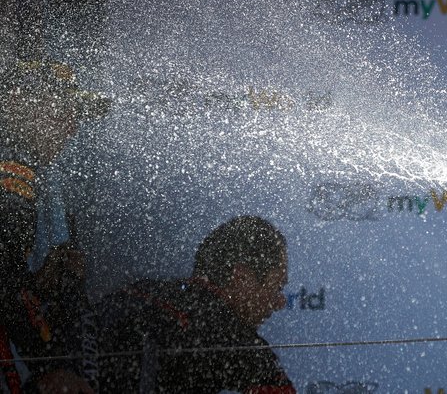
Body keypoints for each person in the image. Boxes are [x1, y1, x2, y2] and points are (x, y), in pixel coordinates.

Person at [97, 215, 295, 393]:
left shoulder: (136, 295)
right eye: (276, 287)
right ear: (242, 278)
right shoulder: (234, 340)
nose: (280, 302)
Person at [1, 58, 106, 393]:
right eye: (62, 111)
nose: (73, 127)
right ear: (19, 104)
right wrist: (48, 366)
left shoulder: (26, 168)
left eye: (76, 114)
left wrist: (42, 282)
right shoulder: (12, 171)